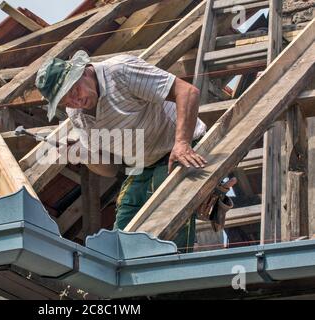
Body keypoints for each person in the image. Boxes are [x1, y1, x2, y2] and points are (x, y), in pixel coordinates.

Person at [35, 51, 209, 252]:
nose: (75, 102)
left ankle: (175, 270)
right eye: (66, 101)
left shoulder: (120, 71)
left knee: (172, 206)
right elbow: (110, 169)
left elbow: (187, 92)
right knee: (125, 219)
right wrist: (81, 154)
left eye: (74, 91)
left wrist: (182, 142)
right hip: (143, 164)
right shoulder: (77, 115)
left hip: (180, 148)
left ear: (82, 71)